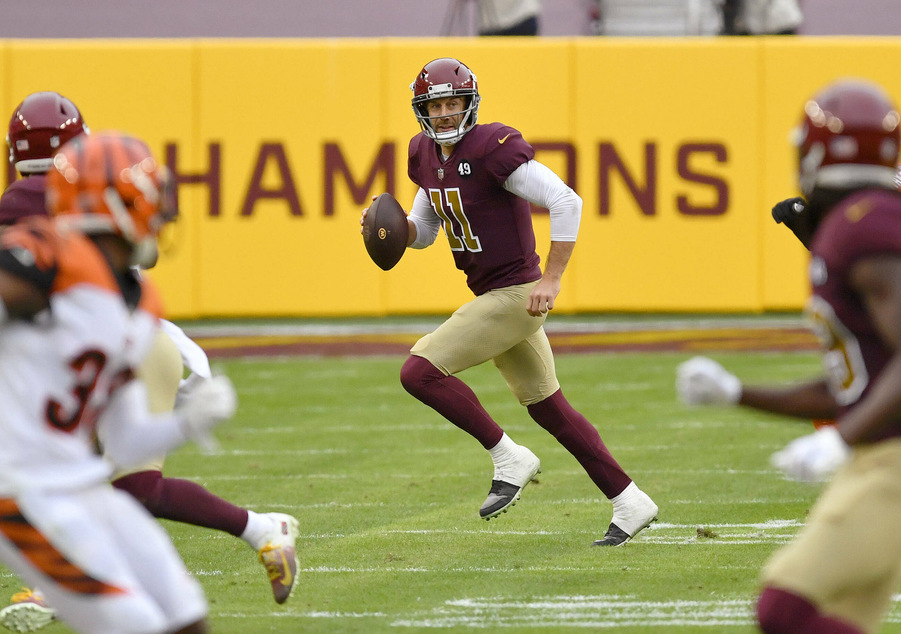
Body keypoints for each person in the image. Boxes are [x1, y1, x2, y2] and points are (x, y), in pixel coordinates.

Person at [0, 93, 299, 632]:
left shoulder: (139, 302)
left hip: (80, 483)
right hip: (23, 493)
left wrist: (188, 423)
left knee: (187, 615)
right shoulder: (45, 255)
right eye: (149, 199)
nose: (160, 214)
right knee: (136, 621)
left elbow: (128, 434)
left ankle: (260, 531)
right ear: (116, 204)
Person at [676, 79, 901, 633]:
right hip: (886, 453)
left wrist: (839, 436)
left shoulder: (867, 222)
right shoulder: (866, 217)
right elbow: (852, 385)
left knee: (784, 607)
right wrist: (737, 393)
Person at [361, 57, 658, 546]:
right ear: (422, 110)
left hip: (517, 294)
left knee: (418, 371)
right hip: (493, 296)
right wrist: (389, 231)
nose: (444, 115)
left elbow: (567, 201)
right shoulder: (424, 155)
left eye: (452, 103)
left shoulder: (491, 149)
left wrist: (553, 278)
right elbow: (426, 232)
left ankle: (508, 456)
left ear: (469, 103)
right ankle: (629, 501)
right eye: (435, 106)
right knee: (550, 409)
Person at [773, 151, 901, 566]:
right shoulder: (895, 178)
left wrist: (805, 226)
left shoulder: (872, 193)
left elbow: (857, 254)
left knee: (878, 396)